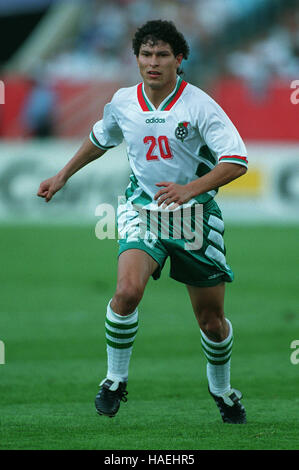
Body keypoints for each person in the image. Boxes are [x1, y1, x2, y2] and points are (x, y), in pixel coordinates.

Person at [37, 20, 248, 424]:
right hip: (142, 211)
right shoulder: (123, 101)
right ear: (136, 58)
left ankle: (222, 389)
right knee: (126, 292)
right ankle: (115, 380)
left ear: (179, 60)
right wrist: (62, 176)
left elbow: (236, 161)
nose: (153, 63)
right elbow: (101, 137)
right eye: (146, 55)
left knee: (211, 322)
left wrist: (191, 189)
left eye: (162, 55)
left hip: (195, 220)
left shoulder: (200, 105)